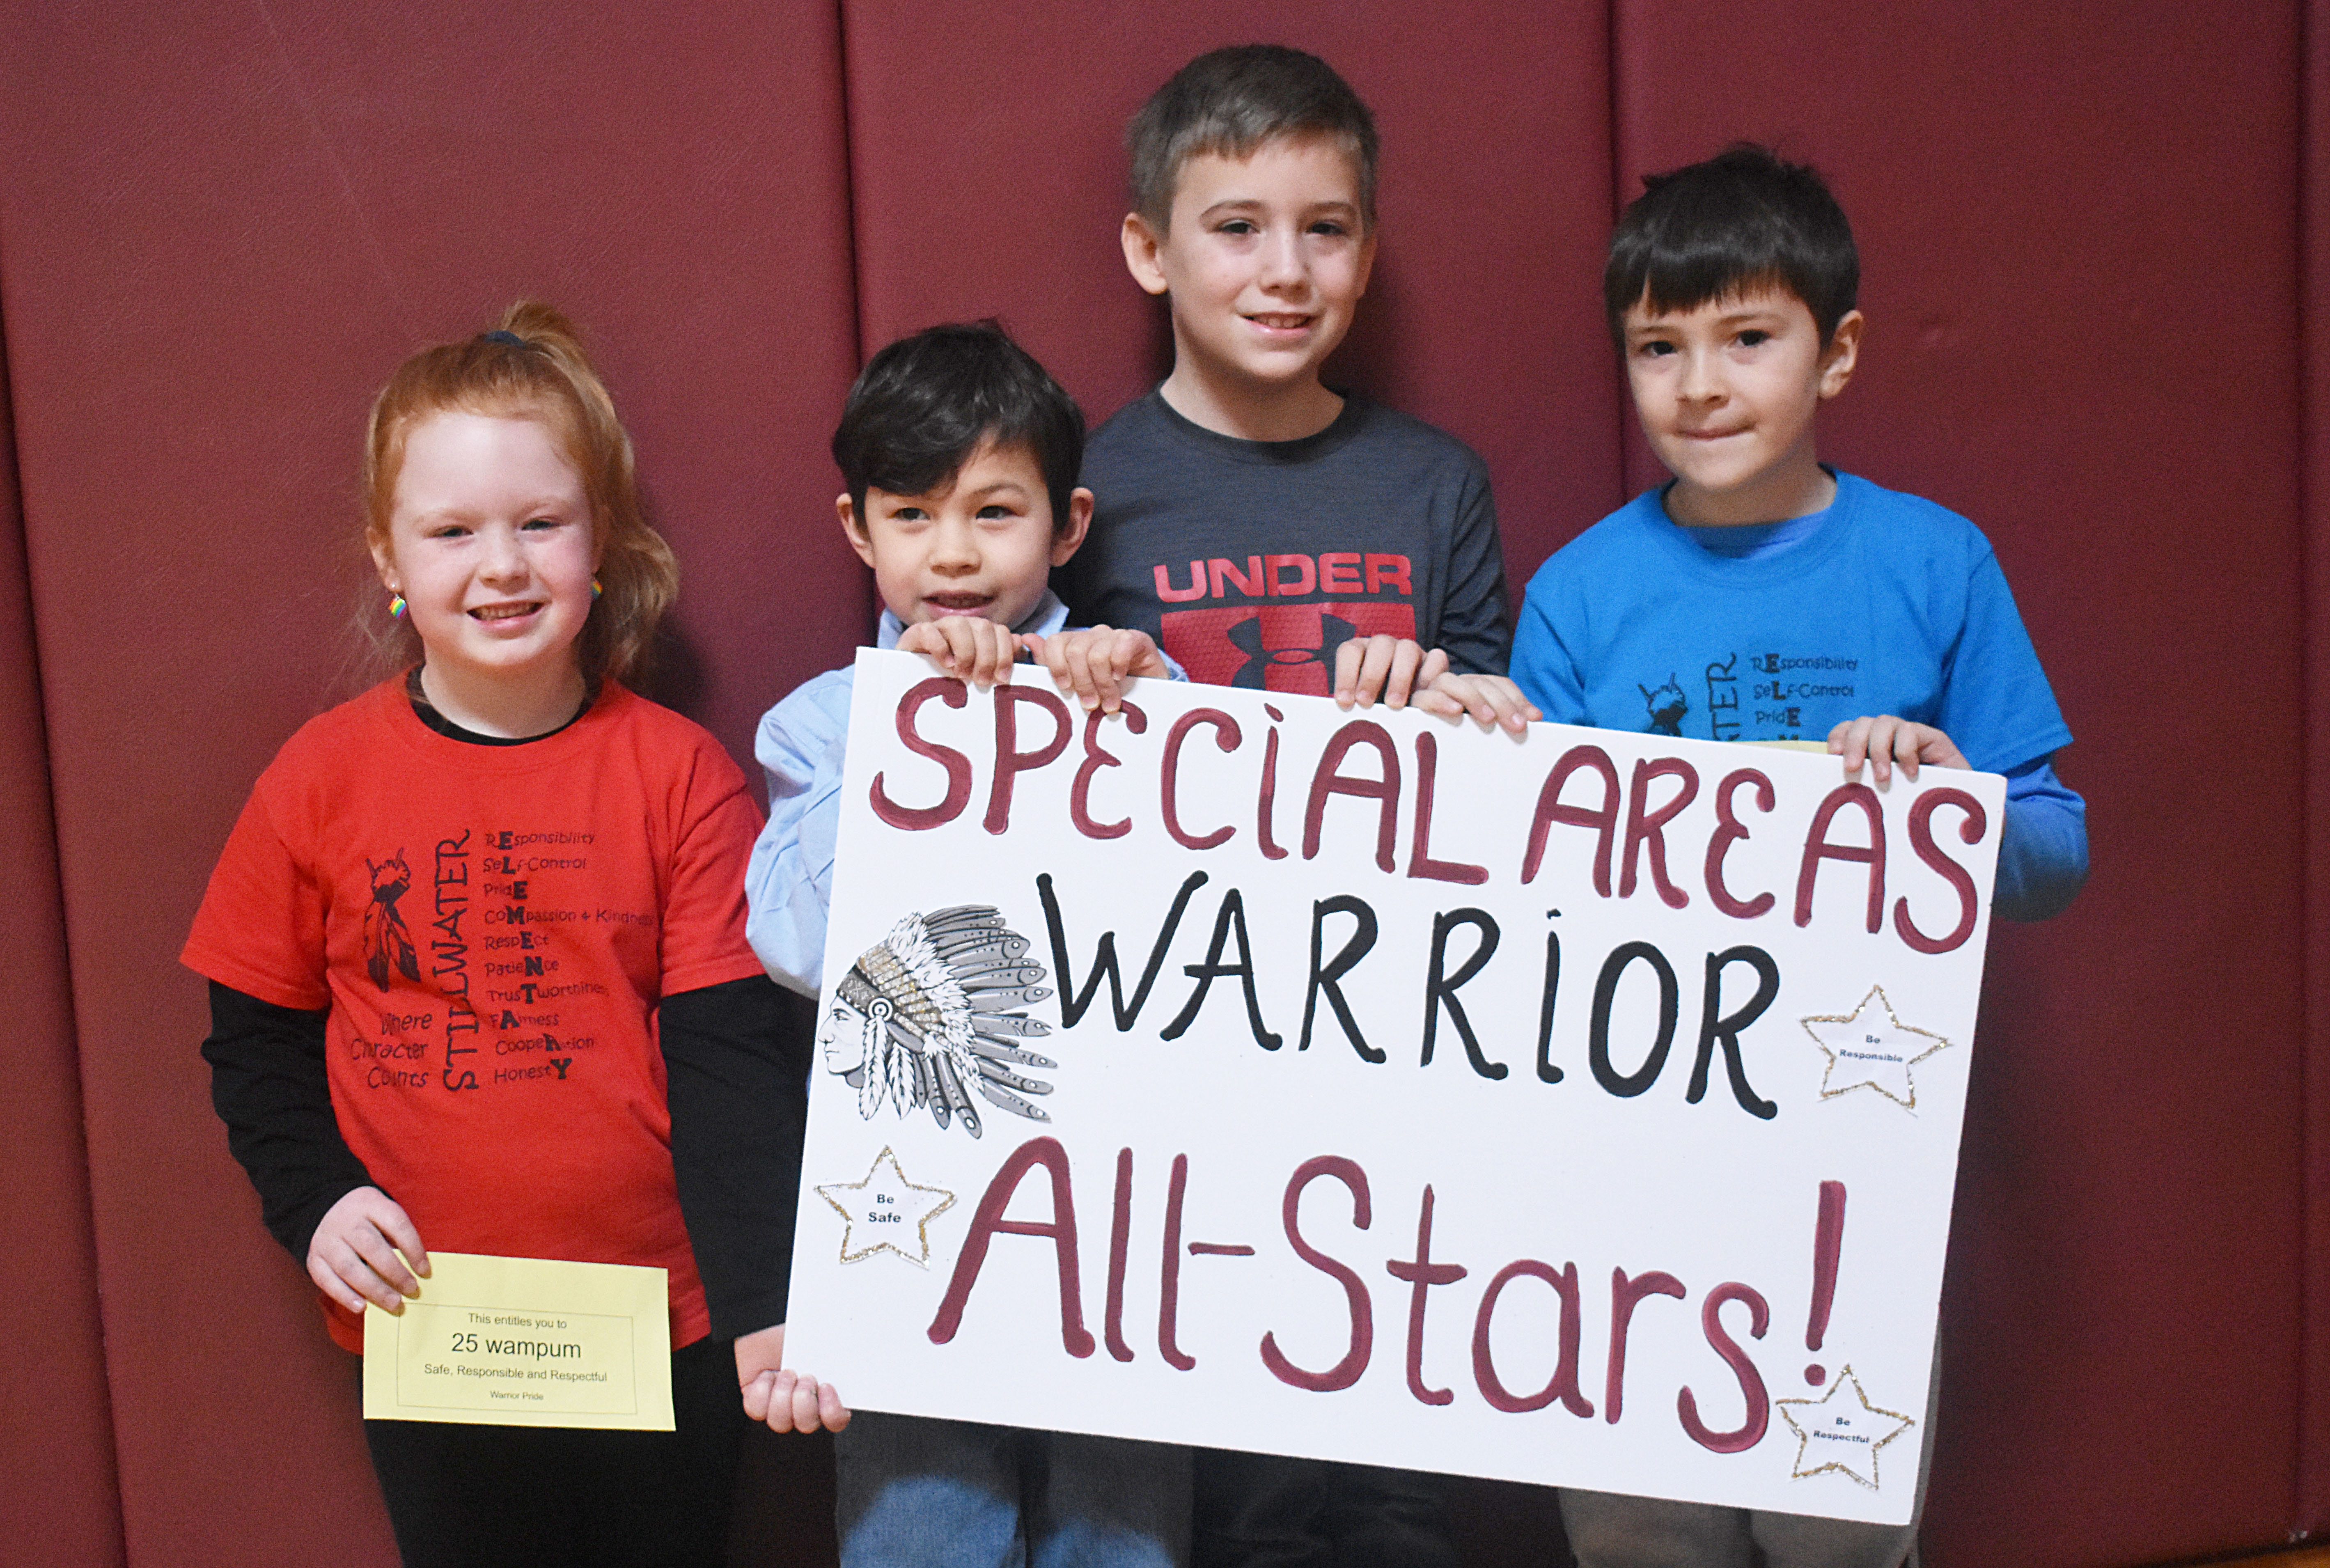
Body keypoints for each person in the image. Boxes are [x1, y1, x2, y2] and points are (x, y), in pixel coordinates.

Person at [183, 302, 842, 1568]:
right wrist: (314, 1200)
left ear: (602, 543)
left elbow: (730, 1066)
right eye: (452, 532)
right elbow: (249, 1043)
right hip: (436, 1320)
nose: (502, 564)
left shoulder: (679, 775)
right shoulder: (316, 781)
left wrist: (763, 1301)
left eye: (541, 523)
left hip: (667, 1325)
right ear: (389, 556)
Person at [1509, 144, 2089, 1568]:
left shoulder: (1934, 561)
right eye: (1658, 347)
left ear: (1834, 356)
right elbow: (1524, 887)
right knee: (1640, 1528)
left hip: (1852, 1150)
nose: (1698, 384)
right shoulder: (1576, 593)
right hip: (1631, 1151)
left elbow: (2054, 845)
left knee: (1837, 1533)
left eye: (1745, 339)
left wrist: (1957, 816)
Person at [745, 319, 1193, 1568]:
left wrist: (1126, 701)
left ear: (1067, 525)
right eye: (911, 514)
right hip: (912, 1218)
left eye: (994, 513)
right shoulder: (822, 725)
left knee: (1122, 1539)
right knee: (923, 1533)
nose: (952, 555)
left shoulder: (1142, 693)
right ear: (857, 530)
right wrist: (915, 725)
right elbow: (790, 941)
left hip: (1117, 1224)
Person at [1058, 42, 1535, 738]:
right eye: (1238, 228)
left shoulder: (1440, 484)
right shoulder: (1082, 489)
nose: (1287, 270)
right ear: (1151, 252)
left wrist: (1439, 700)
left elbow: (1488, 735)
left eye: (1325, 229)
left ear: (1366, 256)